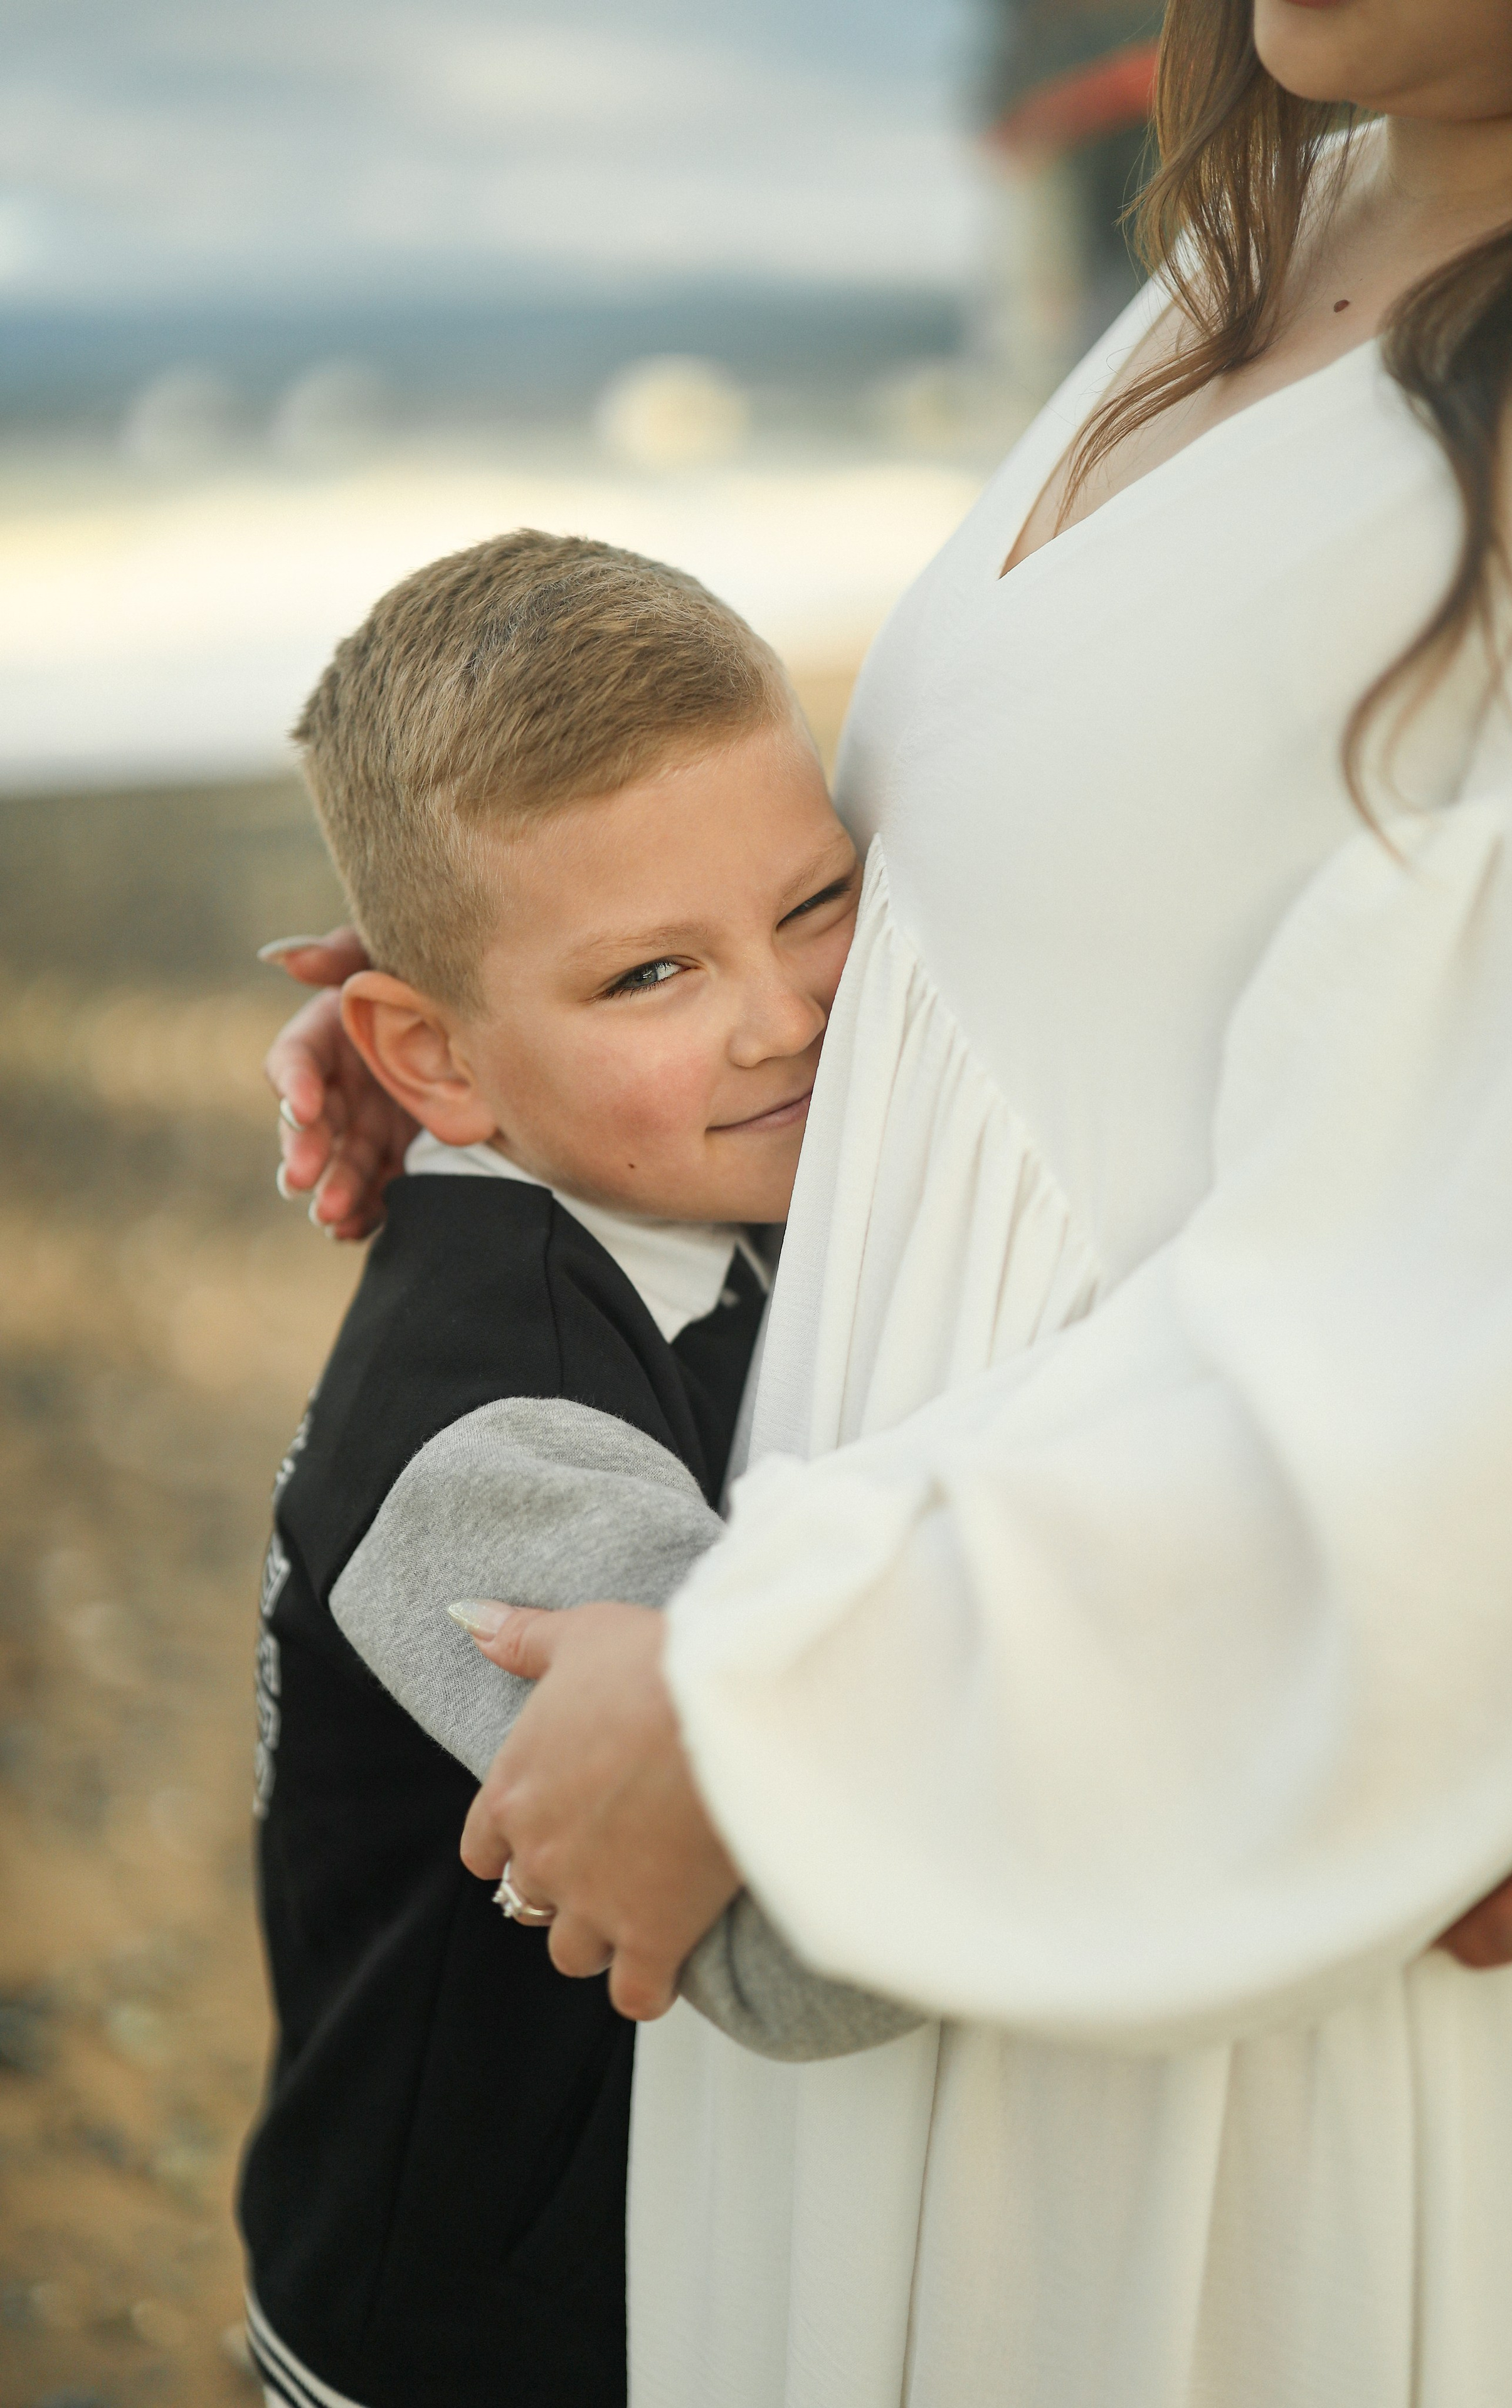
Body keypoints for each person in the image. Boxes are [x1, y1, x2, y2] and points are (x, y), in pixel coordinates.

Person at [266, 1, 1512, 2399]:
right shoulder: (1290, 208)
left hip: (1153, 1889)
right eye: (676, 970)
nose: (768, 1006)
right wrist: (534, 1085)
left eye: (785, 935)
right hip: (929, 1832)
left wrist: (803, 1711)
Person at [241, 531, 914, 2408]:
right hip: (472, 2334)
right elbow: (797, 1940)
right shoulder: (495, 1442)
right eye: (649, 976)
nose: (784, 1016)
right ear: (425, 1061)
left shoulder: (687, 1167)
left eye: (819, 905)